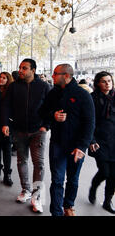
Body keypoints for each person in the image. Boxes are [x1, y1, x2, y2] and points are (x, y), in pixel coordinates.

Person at [40, 64, 95, 216]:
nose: (52, 76)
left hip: (76, 147)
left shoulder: (83, 95)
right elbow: (42, 112)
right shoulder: (53, 93)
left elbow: (90, 123)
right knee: (57, 180)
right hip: (57, 143)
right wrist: (53, 116)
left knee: (73, 179)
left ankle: (68, 205)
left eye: (55, 74)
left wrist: (82, 146)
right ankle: (56, 212)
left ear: (66, 75)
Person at [1, 58, 51, 213]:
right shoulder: (14, 86)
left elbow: (51, 107)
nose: (21, 70)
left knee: (39, 163)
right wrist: (5, 124)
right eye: (20, 68)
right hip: (19, 129)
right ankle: (26, 190)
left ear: (33, 70)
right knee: (22, 160)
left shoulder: (44, 87)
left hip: (38, 131)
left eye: (24, 68)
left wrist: (46, 126)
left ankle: (36, 197)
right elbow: (6, 106)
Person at [88, 71, 115, 214]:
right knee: (105, 172)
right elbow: (88, 121)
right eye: (104, 81)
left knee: (114, 175)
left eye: (109, 80)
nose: (107, 83)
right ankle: (93, 187)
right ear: (98, 83)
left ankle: (107, 201)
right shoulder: (92, 98)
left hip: (114, 140)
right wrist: (91, 140)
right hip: (99, 141)